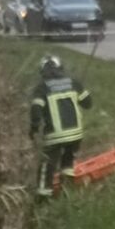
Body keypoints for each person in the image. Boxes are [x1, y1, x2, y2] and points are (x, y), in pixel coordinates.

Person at [30, 54, 92, 201]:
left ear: (42, 72)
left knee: (47, 164)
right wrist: (80, 89)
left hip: (54, 135)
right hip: (75, 134)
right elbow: (88, 104)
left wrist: (34, 128)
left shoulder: (42, 88)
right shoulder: (73, 83)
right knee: (68, 161)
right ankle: (67, 191)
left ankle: (43, 197)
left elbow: (36, 110)